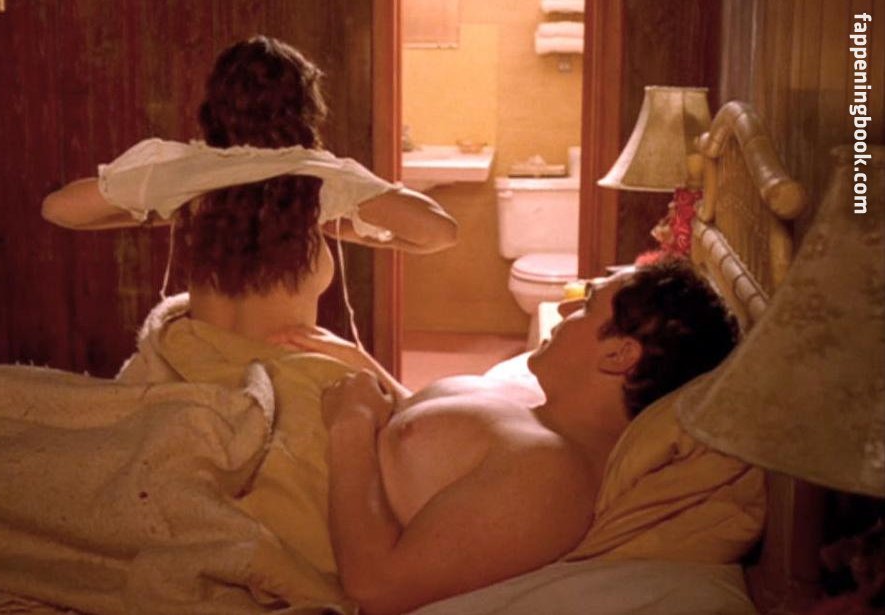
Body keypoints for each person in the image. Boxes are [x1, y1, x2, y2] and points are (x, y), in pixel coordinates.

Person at [41, 35, 459, 588]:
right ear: (304, 108)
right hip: (288, 374)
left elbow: (60, 208)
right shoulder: (317, 181)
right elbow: (438, 232)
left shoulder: (192, 176)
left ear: (216, 106)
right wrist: (339, 213)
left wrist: (170, 201)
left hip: (188, 367)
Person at [274, 258, 740, 614]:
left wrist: (352, 424)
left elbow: (378, 588)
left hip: (279, 482)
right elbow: (432, 450)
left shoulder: (552, 479)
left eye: (587, 306)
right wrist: (364, 369)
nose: (564, 309)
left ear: (619, 355)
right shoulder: (540, 415)